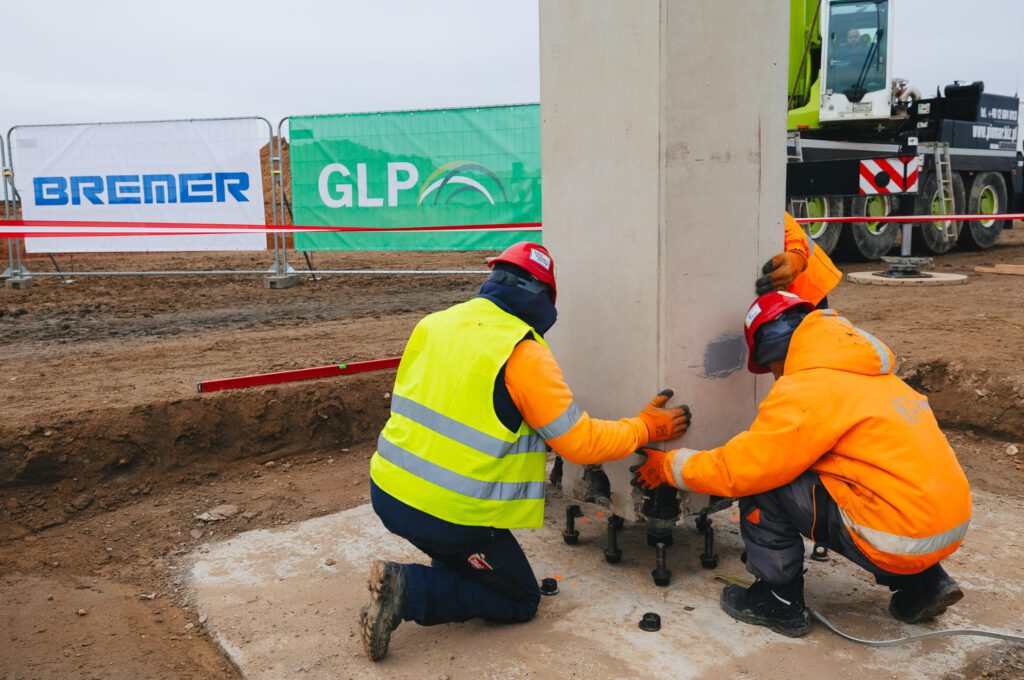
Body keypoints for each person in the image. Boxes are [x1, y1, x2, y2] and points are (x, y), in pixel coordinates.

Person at [359, 241, 691, 661]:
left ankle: (451, 565)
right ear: (545, 301)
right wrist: (644, 428)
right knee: (519, 598)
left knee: (469, 562)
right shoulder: (522, 353)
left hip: (388, 492)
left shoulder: (435, 324)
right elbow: (580, 443)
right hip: (449, 515)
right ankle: (408, 591)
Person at [631, 290, 971, 637]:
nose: (774, 377)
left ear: (772, 352)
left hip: (895, 538)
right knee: (831, 472)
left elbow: (742, 468)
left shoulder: (807, 389)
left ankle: (778, 600)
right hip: (943, 528)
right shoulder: (877, 379)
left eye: (769, 368)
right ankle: (925, 584)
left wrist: (669, 466)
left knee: (764, 482)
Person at [756, 212, 842, 308]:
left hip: (808, 285)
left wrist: (797, 255)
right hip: (784, 297)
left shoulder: (766, 210)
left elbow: (781, 221)